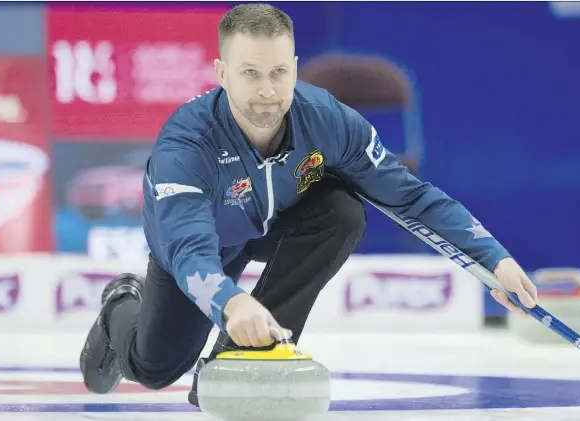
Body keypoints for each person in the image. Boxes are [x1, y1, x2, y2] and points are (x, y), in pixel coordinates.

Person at [79, 3, 539, 406]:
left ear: (296, 68)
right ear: (221, 74)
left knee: (342, 212)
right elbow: (187, 248)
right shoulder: (186, 144)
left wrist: (493, 259)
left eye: (279, 72)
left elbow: (411, 196)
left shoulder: (329, 121)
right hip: (204, 242)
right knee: (154, 368)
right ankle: (121, 301)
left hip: (276, 221)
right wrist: (232, 303)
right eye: (250, 73)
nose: (267, 90)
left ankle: (238, 361)